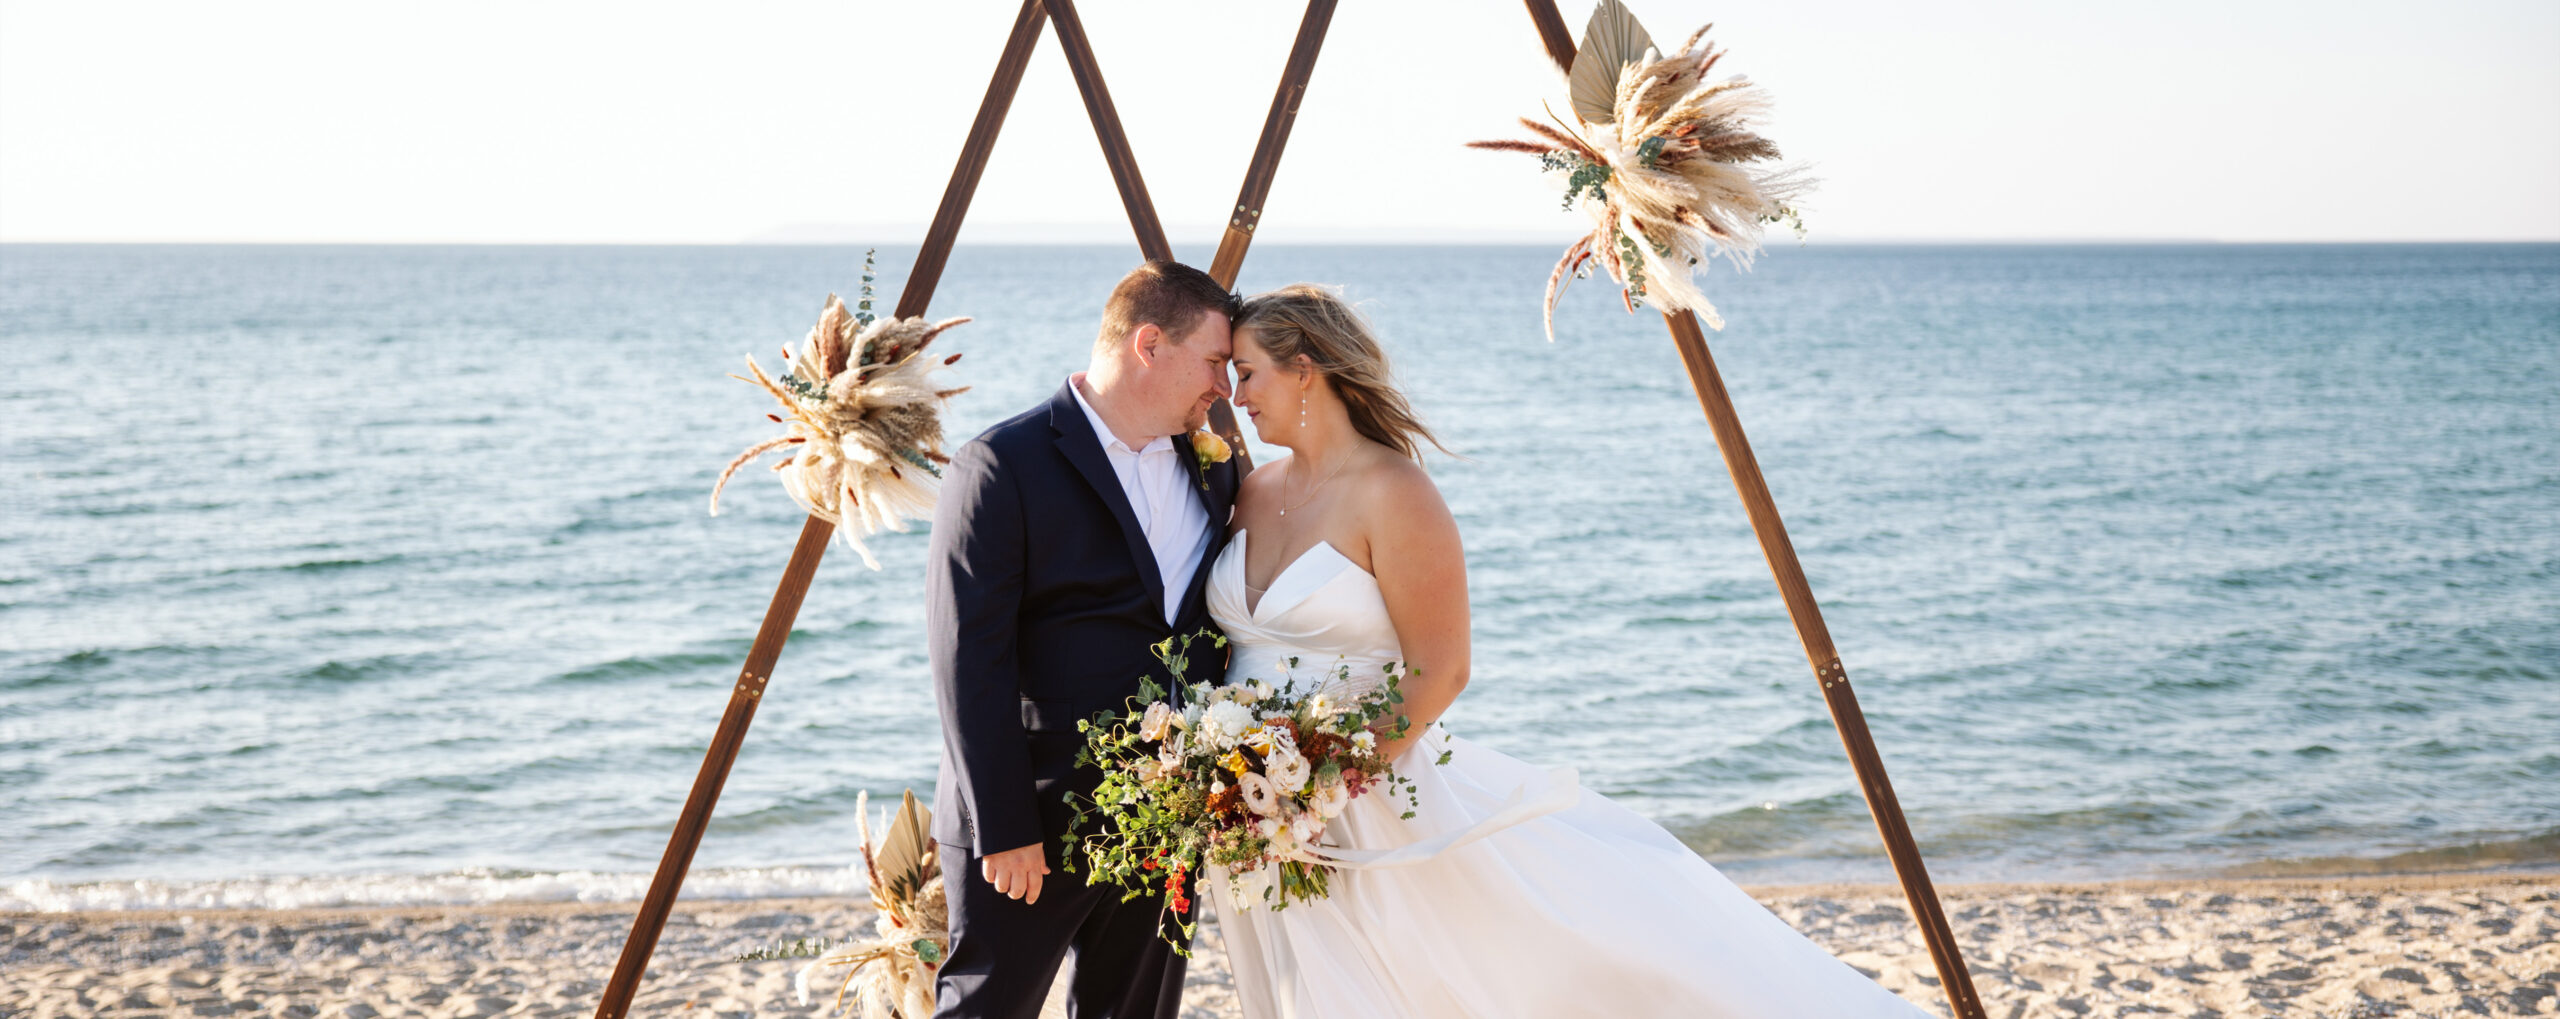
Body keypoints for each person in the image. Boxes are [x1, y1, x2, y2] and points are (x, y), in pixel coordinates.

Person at [1202, 283, 1931, 1017]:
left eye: (1249, 372)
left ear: (1306, 369)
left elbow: (1442, 668)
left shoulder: (1395, 491)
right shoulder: (1254, 491)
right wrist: (1240, 783)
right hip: (1251, 802)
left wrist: (1325, 788)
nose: (1236, 394)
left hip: (1363, 799)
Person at [926, 260, 1245, 1019]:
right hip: (1031, 821)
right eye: (1214, 362)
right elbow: (970, 662)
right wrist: (1003, 827)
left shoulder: (1215, 469)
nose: (1224, 388)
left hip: (1165, 814)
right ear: (1149, 344)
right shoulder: (1001, 466)